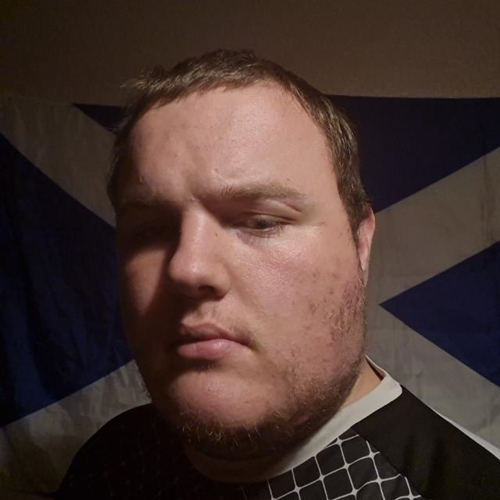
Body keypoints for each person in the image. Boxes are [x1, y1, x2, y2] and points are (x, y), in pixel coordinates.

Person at [56, 49, 500, 500]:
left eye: (261, 221)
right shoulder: (111, 455)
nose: (188, 269)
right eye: (150, 230)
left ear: (360, 243)